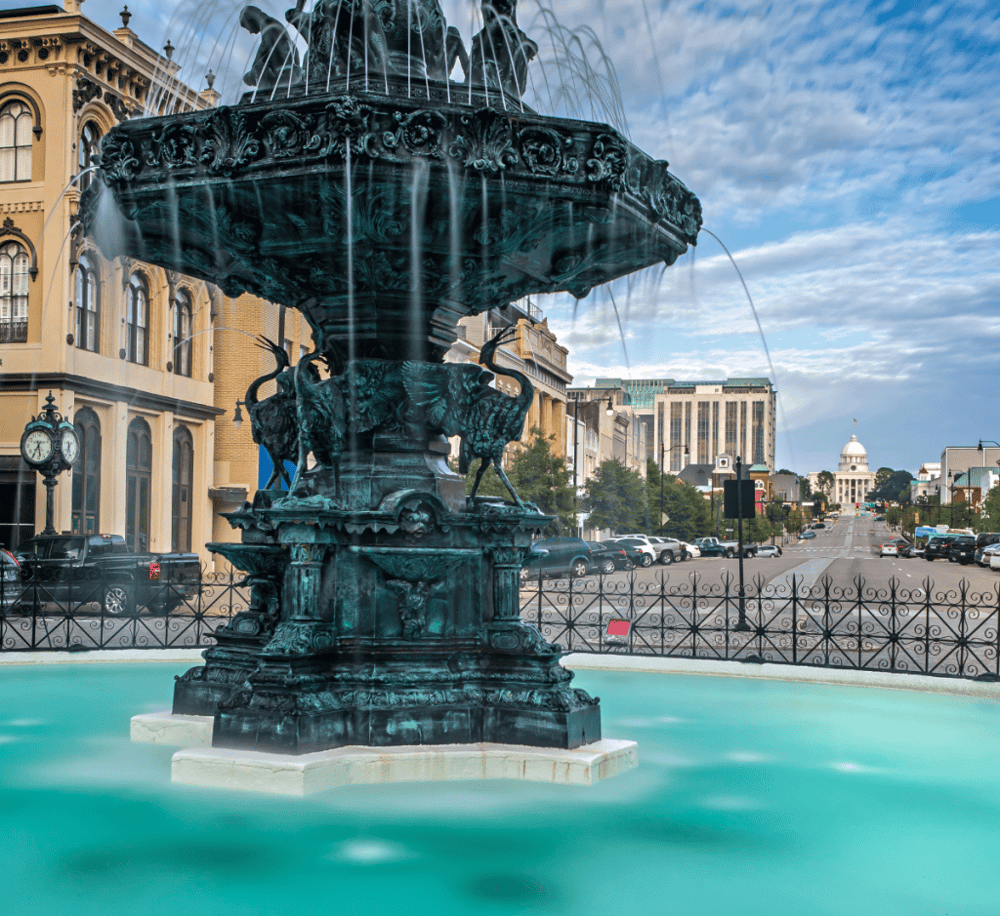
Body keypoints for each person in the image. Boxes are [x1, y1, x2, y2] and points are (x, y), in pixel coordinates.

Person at [240, 5, 300, 89]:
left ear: (250, 19)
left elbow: (266, 49)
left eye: (246, 27)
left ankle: (263, 99)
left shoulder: (266, 23)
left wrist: (251, 73)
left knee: (258, 69)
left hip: (283, 75)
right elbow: (294, 49)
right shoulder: (273, 24)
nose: (250, 32)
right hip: (291, 72)